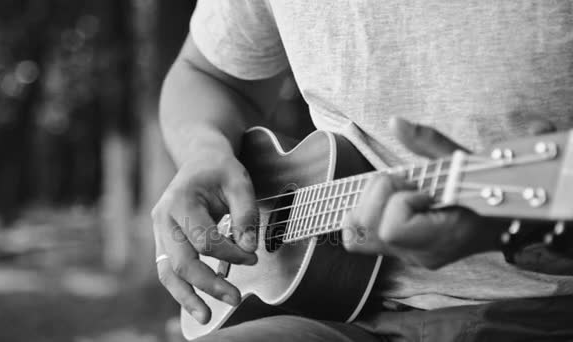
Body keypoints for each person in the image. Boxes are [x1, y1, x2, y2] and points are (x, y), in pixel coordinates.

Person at [151, 1, 573, 341]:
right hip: (335, 314)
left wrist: (502, 228)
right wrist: (203, 150)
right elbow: (207, 75)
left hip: (542, 314)